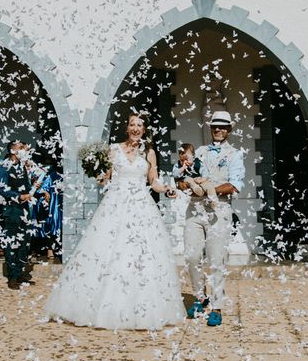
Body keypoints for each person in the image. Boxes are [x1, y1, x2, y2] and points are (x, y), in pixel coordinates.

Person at [44, 113, 184, 330]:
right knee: (106, 251)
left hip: (141, 207)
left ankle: (141, 309)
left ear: (144, 130)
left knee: (140, 254)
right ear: (127, 128)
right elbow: (105, 179)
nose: (136, 128)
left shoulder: (149, 153)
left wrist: (166, 189)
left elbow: (154, 182)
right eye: (132, 124)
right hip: (115, 206)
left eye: (140, 125)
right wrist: (97, 173)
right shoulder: (114, 150)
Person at [182, 110, 245, 327]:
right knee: (191, 256)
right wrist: (184, 184)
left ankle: (216, 306)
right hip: (195, 211)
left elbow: (235, 184)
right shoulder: (198, 151)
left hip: (219, 212)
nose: (218, 129)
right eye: (215, 126)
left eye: (223, 126)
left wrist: (208, 190)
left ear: (229, 129)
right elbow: (185, 175)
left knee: (216, 260)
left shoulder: (235, 155)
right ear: (210, 128)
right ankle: (200, 297)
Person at [0, 141, 35, 289]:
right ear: (12, 150)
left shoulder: (24, 166)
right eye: (21, 148)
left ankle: (20, 272)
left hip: (24, 209)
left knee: (24, 241)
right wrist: (19, 196)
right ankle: (12, 277)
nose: (24, 150)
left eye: (24, 147)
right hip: (11, 209)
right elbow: (2, 189)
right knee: (12, 242)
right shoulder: (4, 167)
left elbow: (28, 186)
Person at [173, 143, 219, 208]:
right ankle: (196, 188)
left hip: (198, 179)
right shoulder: (178, 165)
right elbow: (175, 174)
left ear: (193, 157)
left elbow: (205, 172)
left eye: (186, 159)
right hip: (188, 179)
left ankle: (214, 201)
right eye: (182, 160)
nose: (184, 162)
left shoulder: (198, 163)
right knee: (188, 180)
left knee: (209, 186)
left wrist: (203, 179)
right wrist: (182, 168)